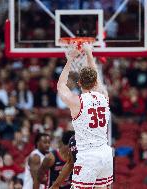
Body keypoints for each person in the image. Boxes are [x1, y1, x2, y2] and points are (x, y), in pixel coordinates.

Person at [57, 43, 113, 188]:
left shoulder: (76, 101)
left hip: (88, 156)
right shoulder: (104, 96)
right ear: (95, 81)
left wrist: (70, 59)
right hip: (105, 154)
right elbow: (96, 79)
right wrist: (89, 53)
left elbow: (61, 85)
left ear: (79, 82)